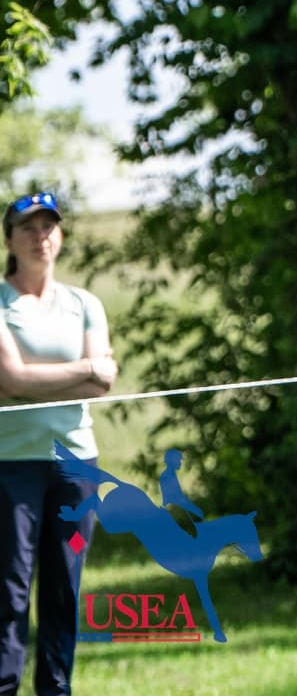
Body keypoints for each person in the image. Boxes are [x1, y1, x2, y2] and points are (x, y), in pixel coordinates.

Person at [0, 192, 113, 696]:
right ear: (9, 240)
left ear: (60, 236)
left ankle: (56, 690)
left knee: (65, 586)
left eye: (48, 226)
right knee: (10, 589)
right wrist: (85, 369)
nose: (40, 236)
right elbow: (11, 379)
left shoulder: (85, 304)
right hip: (10, 466)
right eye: (28, 227)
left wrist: (40, 380)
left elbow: (101, 386)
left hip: (75, 470)